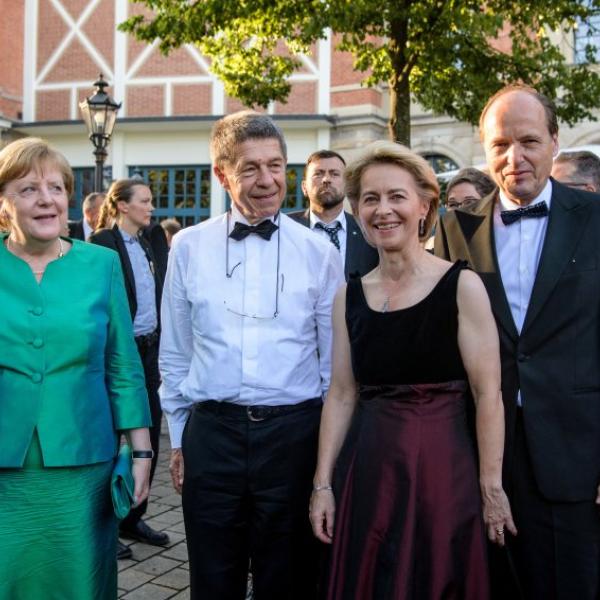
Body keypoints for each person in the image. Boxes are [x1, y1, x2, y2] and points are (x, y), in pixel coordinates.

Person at [310, 140, 513, 600]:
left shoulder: (461, 286)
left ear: (424, 205)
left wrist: (491, 487)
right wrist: (322, 485)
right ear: (358, 211)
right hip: (369, 478)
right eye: (370, 198)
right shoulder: (349, 295)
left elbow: (488, 395)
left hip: (444, 478)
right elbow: (341, 394)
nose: (384, 210)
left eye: (396, 196)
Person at [160, 110, 344, 600]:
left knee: (287, 579)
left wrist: (325, 467)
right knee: (212, 578)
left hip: (293, 436)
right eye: (250, 169)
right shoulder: (187, 247)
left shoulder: (320, 252)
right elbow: (175, 353)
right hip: (212, 436)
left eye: (276, 165)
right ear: (222, 175)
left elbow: (332, 368)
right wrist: (180, 438)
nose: (267, 181)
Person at [435, 83, 600, 599]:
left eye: (528, 141)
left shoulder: (595, 218)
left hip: (577, 449)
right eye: (500, 144)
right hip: (484, 450)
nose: (515, 157)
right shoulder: (454, 227)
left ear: (555, 140)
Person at [0, 137, 152, 599]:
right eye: (28, 189)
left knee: (80, 582)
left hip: (84, 460)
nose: (46, 198)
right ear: (4, 204)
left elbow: (122, 364)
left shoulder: (100, 264)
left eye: (56, 187)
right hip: (6, 466)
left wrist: (142, 451)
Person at [90, 179, 169, 559]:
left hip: (150, 351)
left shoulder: (151, 241)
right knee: (110, 439)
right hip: (117, 352)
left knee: (149, 435)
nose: (151, 208)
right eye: (145, 201)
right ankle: (105, 525)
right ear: (122, 205)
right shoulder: (104, 241)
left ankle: (133, 516)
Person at [290, 149, 378, 279]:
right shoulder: (286, 228)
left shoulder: (368, 230)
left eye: (335, 174)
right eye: (318, 174)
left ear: (347, 185)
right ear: (304, 187)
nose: (326, 179)